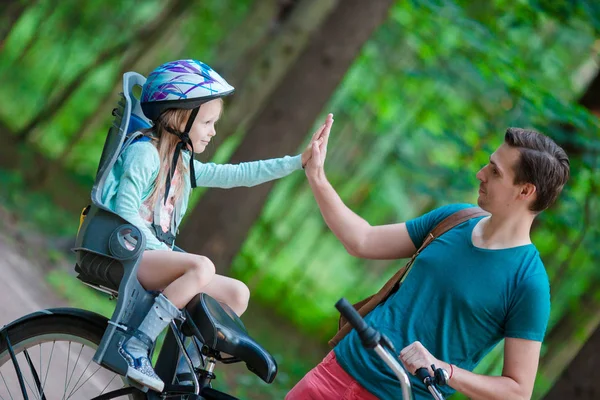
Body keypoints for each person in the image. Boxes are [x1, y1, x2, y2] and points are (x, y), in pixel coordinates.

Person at [286, 115, 570, 399]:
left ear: (525, 191)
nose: (480, 173)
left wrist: (445, 370)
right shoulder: (455, 218)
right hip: (336, 370)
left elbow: (518, 391)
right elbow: (363, 240)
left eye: (495, 172)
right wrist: (317, 175)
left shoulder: (528, 282)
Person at [99, 59, 328, 392]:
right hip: (129, 252)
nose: (213, 131)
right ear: (180, 116)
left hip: (151, 257)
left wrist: (297, 162)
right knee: (201, 266)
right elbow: (125, 212)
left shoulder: (182, 163)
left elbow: (238, 174)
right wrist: (163, 249)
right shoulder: (144, 155)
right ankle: (136, 346)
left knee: (238, 293)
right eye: (207, 122)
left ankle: (178, 369)